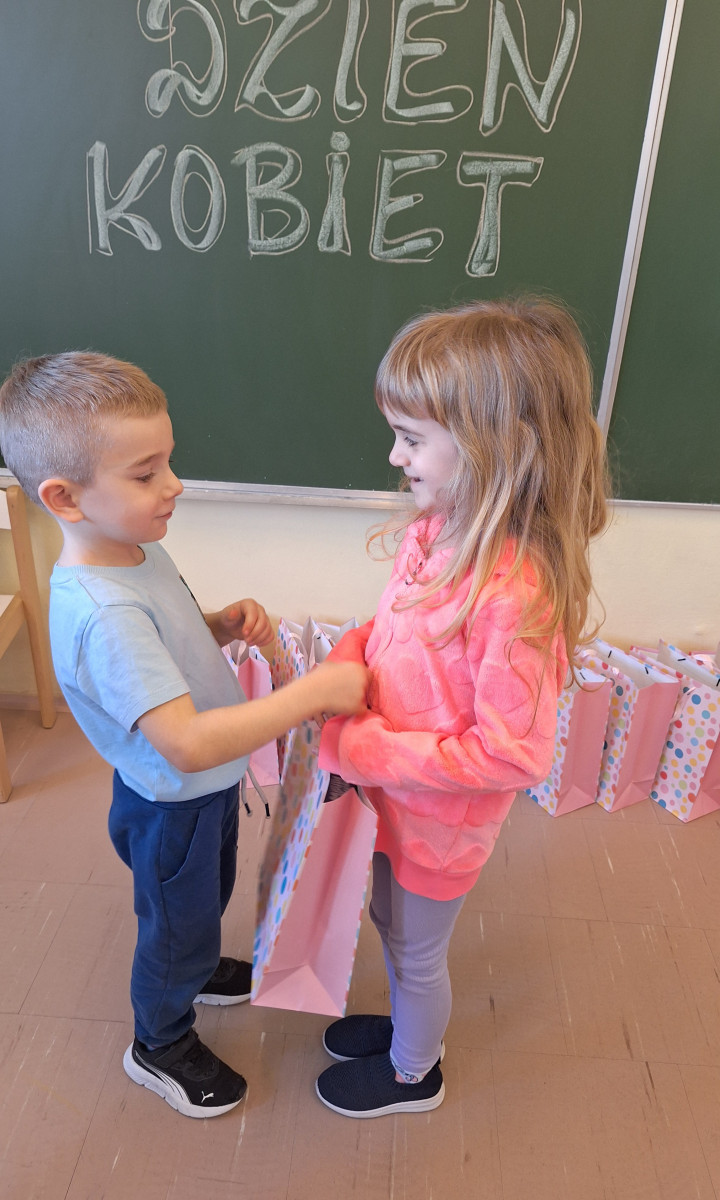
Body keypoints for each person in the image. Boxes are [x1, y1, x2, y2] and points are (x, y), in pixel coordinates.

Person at [0, 352, 368, 1120]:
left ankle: (196, 964)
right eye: (146, 474)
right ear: (65, 498)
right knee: (174, 927)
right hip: (176, 800)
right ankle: (159, 1043)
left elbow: (161, 643)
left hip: (204, 791)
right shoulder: (103, 613)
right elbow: (187, 743)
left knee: (203, 902)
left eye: (168, 461)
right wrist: (306, 697)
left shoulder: (135, 551)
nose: (174, 485)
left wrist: (216, 625)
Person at [315, 297, 608, 1117]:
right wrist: (346, 660)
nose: (394, 454)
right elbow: (394, 632)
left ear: (492, 447)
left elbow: (514, 752)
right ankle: (406, 1031)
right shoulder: (437, 529)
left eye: (412, 438)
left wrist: (366, 748)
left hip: (439, 825)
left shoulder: (513, 593)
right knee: (389, 921)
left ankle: (415, 1073)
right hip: (392, 801)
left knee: (417, 953)